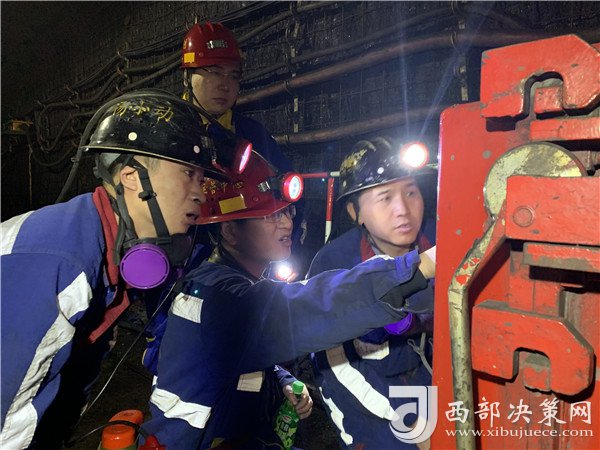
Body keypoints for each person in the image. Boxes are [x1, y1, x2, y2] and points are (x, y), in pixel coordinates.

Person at [141, 150, 436, 448]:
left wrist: (279, 378)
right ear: (229, 231)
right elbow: (306, 310)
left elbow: (231, 351)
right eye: (270, 216)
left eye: (287, 212)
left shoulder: (225, 281)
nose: (286, 224)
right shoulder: (218, 296)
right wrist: (419, 268)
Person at [0, 90, 239, 449]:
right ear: (131, 177)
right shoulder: (62, 264)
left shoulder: (113, 252)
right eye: (188, 173)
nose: (201, 193)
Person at [307, 137, 437, 449]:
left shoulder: (440, 239)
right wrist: (411, 425)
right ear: (356, 212)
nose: (402, 209)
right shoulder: (336, 265)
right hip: (367, 396)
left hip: (432, 377)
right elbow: (335, 367)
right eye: (385, 198)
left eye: (410, 192)